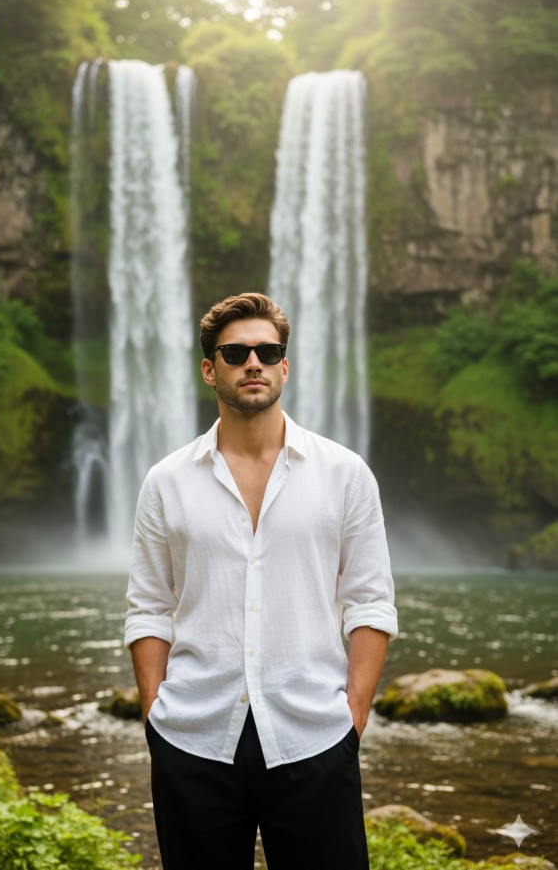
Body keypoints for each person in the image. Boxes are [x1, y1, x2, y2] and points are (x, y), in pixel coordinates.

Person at [125, 292, 398, 870]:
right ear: (209, 368)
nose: (254, 362)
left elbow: (370, 601)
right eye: (236, 352)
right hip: (192, 739)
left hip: (315, 735)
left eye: (268, 351)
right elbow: (149, 606)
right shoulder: (165, 481)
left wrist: (353, 716)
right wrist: (155, 714)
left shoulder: (345, 474)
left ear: (285, 365)